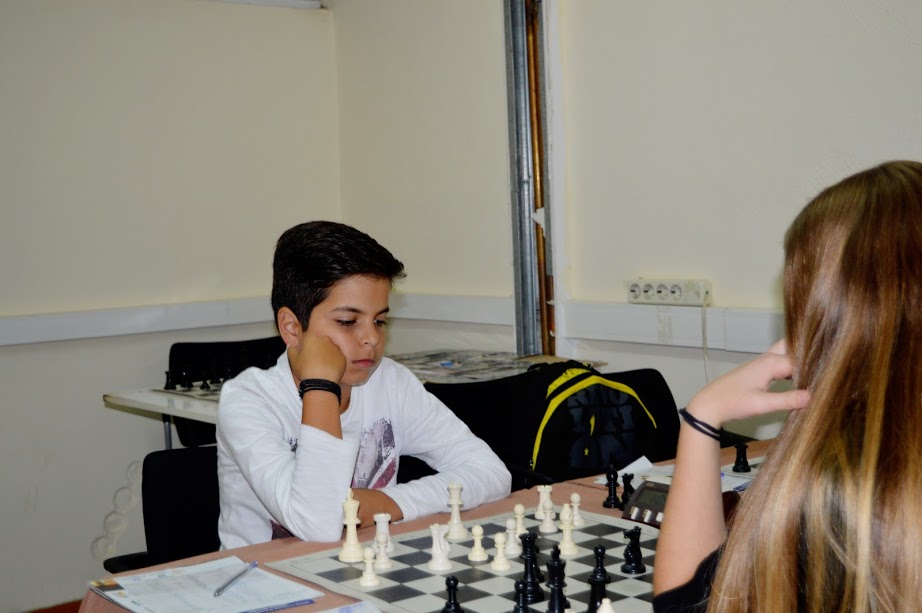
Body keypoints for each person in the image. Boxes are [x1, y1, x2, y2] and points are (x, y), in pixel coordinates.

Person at [652, 160, 922, 612]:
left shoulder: (832, 487)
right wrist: (704, 414)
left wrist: (703, 415)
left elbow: (687, 605)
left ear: (829, 315)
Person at [217, 221, 511, 549]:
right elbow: (318, 523)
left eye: (380, 320)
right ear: (291, 327)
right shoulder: (247, 401)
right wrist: (320, 385)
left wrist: (388, 503)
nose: (372, 337)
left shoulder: (391, 381)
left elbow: (490, 472)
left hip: (362, 566)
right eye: (347, 321)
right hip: (260, 575)